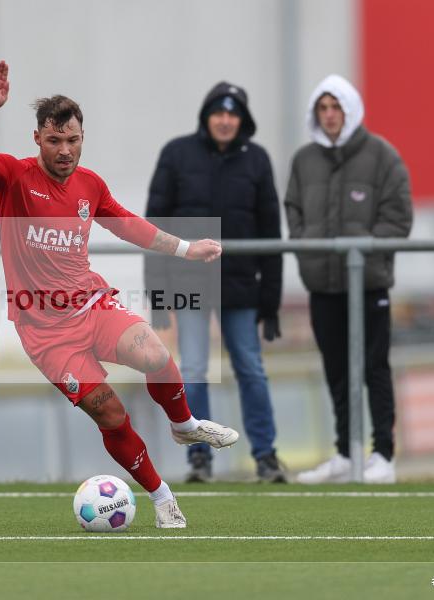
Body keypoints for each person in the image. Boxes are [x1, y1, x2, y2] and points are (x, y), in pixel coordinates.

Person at [0, 61, 239, 528]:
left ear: (82, 137)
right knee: (109, 411)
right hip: (45, 332)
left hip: (91, 304)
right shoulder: (13, 178)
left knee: (154, 352)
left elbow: (130, 226)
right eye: (54, 141)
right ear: (37, 140)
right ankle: (162, 497)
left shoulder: (90, 185)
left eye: (73, 140)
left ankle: (185, 426)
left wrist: (187, 249)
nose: (65, 151)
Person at [145, 82, 285, 483]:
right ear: (206, 116)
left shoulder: (257, 160)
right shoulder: (176, 154)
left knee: (251, 369)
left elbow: (271, 233)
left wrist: (271, 301)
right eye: (218, 113)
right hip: (187, 283)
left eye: (233, 113)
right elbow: (153, 226)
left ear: (242, 119)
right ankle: (200, 458)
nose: (225, 120)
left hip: (239, 287)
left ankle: (266, 456)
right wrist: (157, 295)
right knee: (192, 369)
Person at [285, 74, 412, 484]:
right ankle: (344, 452)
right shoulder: (304, 161)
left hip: (369, 284)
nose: (329, 116)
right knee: (336, 370)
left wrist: (364, 251)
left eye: (335, 107)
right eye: (322, 109)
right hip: (324, 285)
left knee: (374, 367)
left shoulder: (382, 156)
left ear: (350, 109)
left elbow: (398, 217)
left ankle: (384, 457)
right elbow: (294, 210)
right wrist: (308, 246)